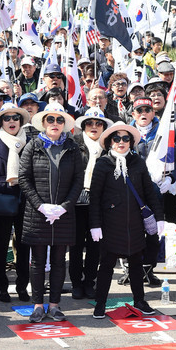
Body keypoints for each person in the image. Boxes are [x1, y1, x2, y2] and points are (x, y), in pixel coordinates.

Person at [89, 121, 163, 318]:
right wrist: (95, 225)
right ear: (110, 142)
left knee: (136, 264)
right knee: (106, 266)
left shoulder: (138, 162)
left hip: (135, 224)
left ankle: (139, 300)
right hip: (110, 224)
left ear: (131, 141)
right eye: (117, 138)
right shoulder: (103, 164)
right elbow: (94, 197)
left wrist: (159, 218)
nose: (121, 142)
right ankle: (100, 303)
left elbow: (149, 191)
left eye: (125, 138)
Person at [19, 104, 84, 323]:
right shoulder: (32, 146)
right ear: (44, 123)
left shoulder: (73, 148)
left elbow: (78, 181)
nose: (54, 124)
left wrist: (64, 206)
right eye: (50, 120)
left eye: (59, 120)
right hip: (38, 214)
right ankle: (38, 305)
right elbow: (24, 179)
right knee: (37, 261)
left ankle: (54, 305)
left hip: (64, 214)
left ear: (64, 124)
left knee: (58, 261)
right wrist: (41, 205)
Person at [0, 103, 31, 303]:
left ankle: (22, 286)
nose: (12, 121)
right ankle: (1, 287)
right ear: (1, 122)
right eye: (7, 118)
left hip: (26, 199)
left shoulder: (29, 141)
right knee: (1, 246)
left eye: (15, 117)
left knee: (24, 245)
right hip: (1, 199)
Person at [69, 108, 111, 299]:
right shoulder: (73, 145)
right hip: (77, 202)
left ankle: (89, 282)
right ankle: (76, 283)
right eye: (89, 123)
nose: (94, 127)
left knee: (96, 246)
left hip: (100, 203)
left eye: (98, 124)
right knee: (76, 245)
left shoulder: (109, 147)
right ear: (83, 126)